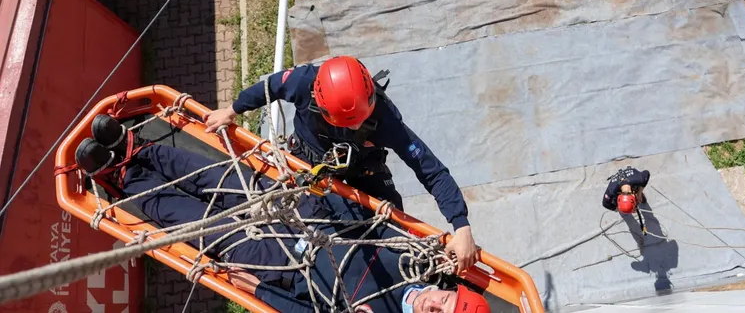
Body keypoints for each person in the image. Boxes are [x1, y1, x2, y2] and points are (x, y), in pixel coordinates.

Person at [74, 115, 489, 313]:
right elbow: (379, 222)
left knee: (193, 223)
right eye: (446, 300)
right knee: (217, 179)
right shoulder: (420, 264)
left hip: (284, 265)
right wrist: (457, 232)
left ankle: (123, 176)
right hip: (308, 214)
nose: (434, 305)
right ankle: (137, 148)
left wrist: (257, 290)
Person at [203, 56, 479, 273]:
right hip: (308, 159)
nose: (358, 125)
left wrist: (461, 225)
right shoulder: (302, 82)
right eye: (349, 123)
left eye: (362, 120)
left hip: (362, 168)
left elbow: (429, 169)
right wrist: (232, 110)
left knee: (390, 222)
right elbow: (272, 86)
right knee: (305, 216)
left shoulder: (385, 121)